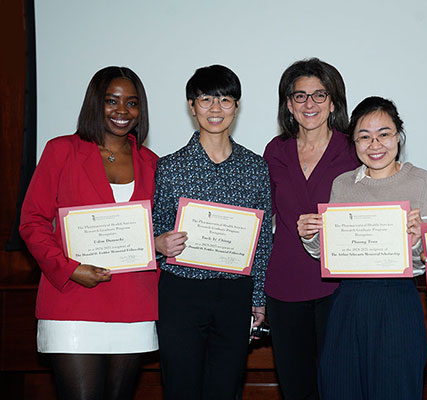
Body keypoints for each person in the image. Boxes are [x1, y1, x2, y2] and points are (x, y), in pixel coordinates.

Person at [19, 66, 159, 399]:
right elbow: (33, 221)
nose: (122, 110)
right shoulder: (61, 151)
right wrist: (69, 269)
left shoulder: (152, 162)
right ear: (95, 103)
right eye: (112, 101)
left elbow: (156, 230)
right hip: (72, 300)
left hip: (133, 304)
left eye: (132, 102)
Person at [298, 96, 427, 399]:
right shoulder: (343, 184)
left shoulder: (423, 182)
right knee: (340, 388)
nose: (375, 144)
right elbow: (329, 255)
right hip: (348, 303)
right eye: (364, 136)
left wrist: (420, 242)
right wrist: (310, 235)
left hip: (398, 304)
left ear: (398, 136)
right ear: (354, 142)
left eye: (384, 134)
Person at [152, 64, 273, 399]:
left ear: (237, 106)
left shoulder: (255, 167)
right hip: (181, 293)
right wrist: (160, 242)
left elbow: (263, 240)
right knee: (181, 386)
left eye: (225, 100)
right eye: (206, 100)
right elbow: (153, 229)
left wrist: (259, 298)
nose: (216, 109)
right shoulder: (169, 166)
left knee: (226, 387)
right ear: (192, 106)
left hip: (234, 293)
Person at [263, 58, 359, 399]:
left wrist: (418, 200)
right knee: (295, 386)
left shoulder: (353, 149)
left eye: (319, 95)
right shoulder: (275, 151)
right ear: (288, 103)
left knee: (339, 385)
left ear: (333, 102)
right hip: (283, 286)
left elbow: (382, 190)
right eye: (300, 96)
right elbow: (261, 218)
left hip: (337, 288)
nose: (310, 104)